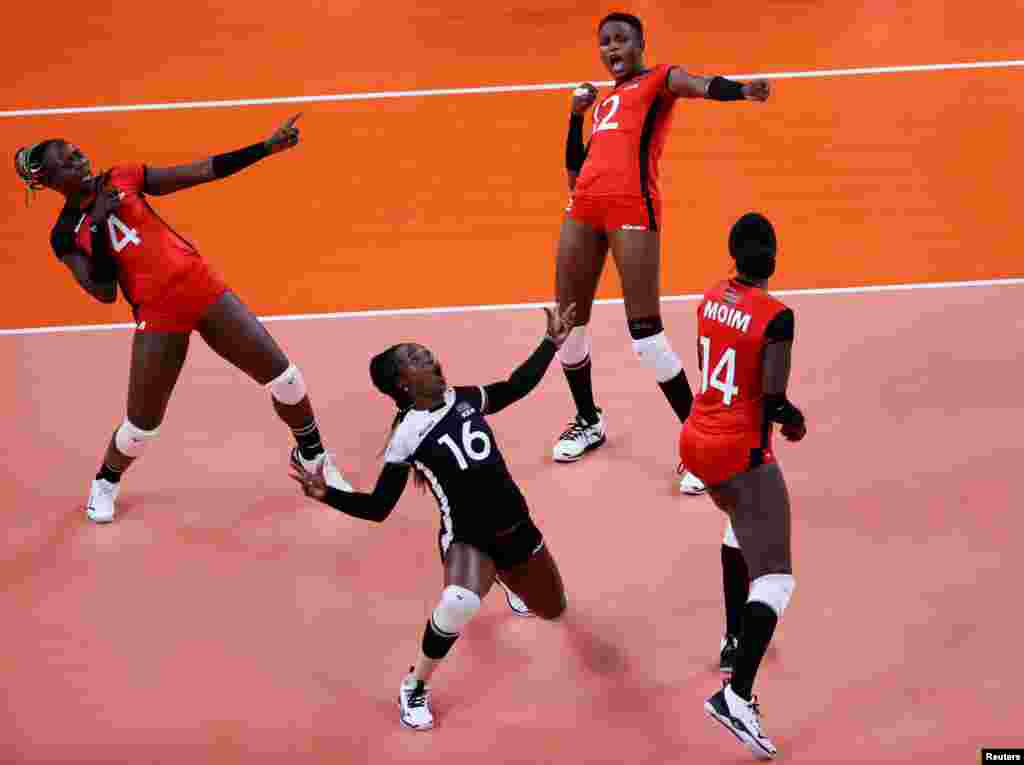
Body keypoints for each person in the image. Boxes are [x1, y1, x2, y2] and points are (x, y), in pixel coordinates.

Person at [13, 116, 350, 523]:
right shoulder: (66, 233)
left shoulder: (123, 177)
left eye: (77, 152)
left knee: (287, 379)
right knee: (141, 427)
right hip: (157, 314)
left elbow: (201, 171)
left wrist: (265, 148)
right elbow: (102, 293)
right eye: (66, 162)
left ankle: (313, 455)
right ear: (48, 181)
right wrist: (99, 224)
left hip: (203, 289)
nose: (80, 161)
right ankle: (105, 480)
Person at [289, 305, 576, 731]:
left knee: (554, 611)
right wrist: (326, 494)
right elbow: (378, 508)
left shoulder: (463, 398)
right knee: (459, 600)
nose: (430, 358)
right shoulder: (406, 435)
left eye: (426, 352)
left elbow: (515, 386)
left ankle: (502, 574)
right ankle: (415, 685)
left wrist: (551, 342)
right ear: (403, 383)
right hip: (468, 537)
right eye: (417, 358)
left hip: (517, 526)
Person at [553, 11, 771, 498]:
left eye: (621, 40)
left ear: (640, 43)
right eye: (604, 43)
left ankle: (700, 443)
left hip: (632, 208)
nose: (612, 50)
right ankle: (588, 421)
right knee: (567, 324)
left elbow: (698, 84)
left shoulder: (658, 81)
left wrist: (741, 91)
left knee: (645, 334)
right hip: (582, 209)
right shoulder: (605, 103)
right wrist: (574, 115)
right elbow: (575, 169)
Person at [679, 213, 805, 760]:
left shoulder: (709, 298)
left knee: (738, 527)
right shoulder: (777, 316)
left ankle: (734, 640)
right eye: (767, 247)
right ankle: (737, 695)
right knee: (776, 581)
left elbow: (716, 368)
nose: (768, 252)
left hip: (697, 441)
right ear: (767, 255)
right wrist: (795, 421)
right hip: (742, 453)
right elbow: (773, 402)